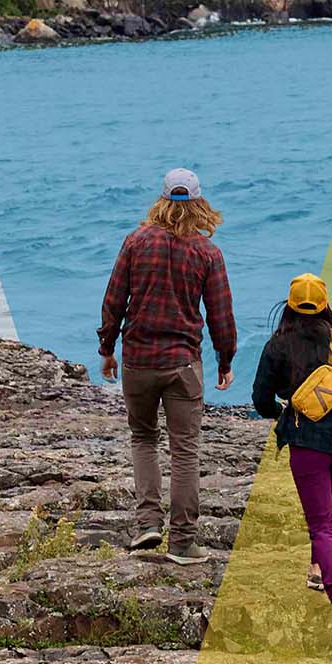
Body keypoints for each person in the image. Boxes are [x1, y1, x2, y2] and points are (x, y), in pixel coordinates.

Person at [98, 166, 236, 564]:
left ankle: (147, 523)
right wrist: (225, 360)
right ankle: (182, 543)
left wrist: (107, 348)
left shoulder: (136, 241)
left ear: (161, 200)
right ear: (198, 203)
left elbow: (113, 300)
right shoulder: (207, 253)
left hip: (138, 361)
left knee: (143, 438)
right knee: (185, 452)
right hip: (182, 365)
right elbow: (221, 316)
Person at [250, 272, 332, 650]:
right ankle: (315, 570)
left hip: (308, 446)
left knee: (322, 524)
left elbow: (260, 400)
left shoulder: (278, 346)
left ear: (290, 306)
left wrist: (285, 411)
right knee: (327, 505)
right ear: (325, 305)